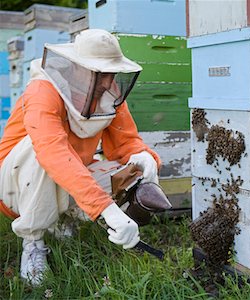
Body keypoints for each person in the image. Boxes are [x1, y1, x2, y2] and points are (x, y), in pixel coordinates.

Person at [0, 29, 161, 286]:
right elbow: (52, 152)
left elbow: (126, 142)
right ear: (76, 68)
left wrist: (143, 156)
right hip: (13, 186)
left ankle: (61, 220)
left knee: (129, 169)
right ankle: (32, 242)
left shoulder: (108, 96)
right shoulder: (43, 91)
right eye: (101, 73)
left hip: (68, 171)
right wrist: (106, 209)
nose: (109, 82)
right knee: (39, 148)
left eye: (112, 73)